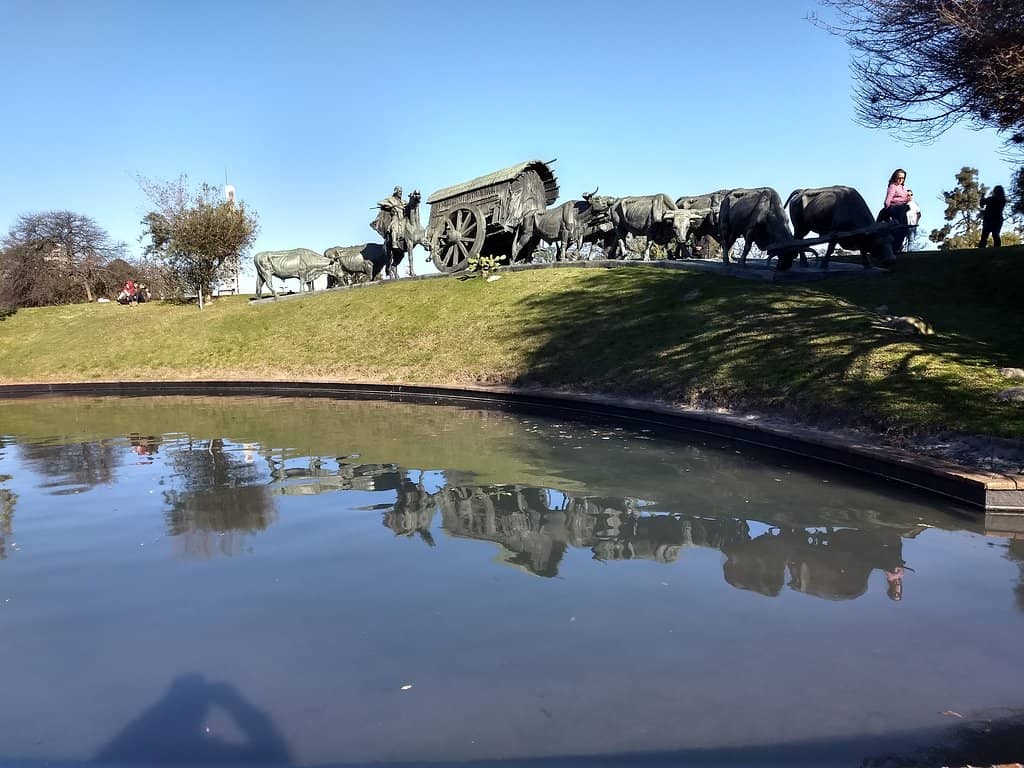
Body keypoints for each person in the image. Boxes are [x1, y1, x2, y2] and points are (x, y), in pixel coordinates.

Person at [880, 169, 911, 254]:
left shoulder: (902, 187)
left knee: (904, 230)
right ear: (895, 177)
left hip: (903, 209)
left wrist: (907, 199)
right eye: (899, 177)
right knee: (899, 229)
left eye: (903, 178)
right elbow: (888, 200)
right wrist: (886, 210)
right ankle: (893, 248)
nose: (901, 179)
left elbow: (902, 198)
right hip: (895, 209)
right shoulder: (893, 186)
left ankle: (897, 248)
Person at [371, 186, 406, 255]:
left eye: (401, 192)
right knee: (394, 227)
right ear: (396, 192)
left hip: (403, 218)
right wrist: (389, 204)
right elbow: (379, 202)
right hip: (396, 217)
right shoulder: (390, 199)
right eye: (399, 191)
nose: (400, 193)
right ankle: (394, 243)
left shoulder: (403, 201)